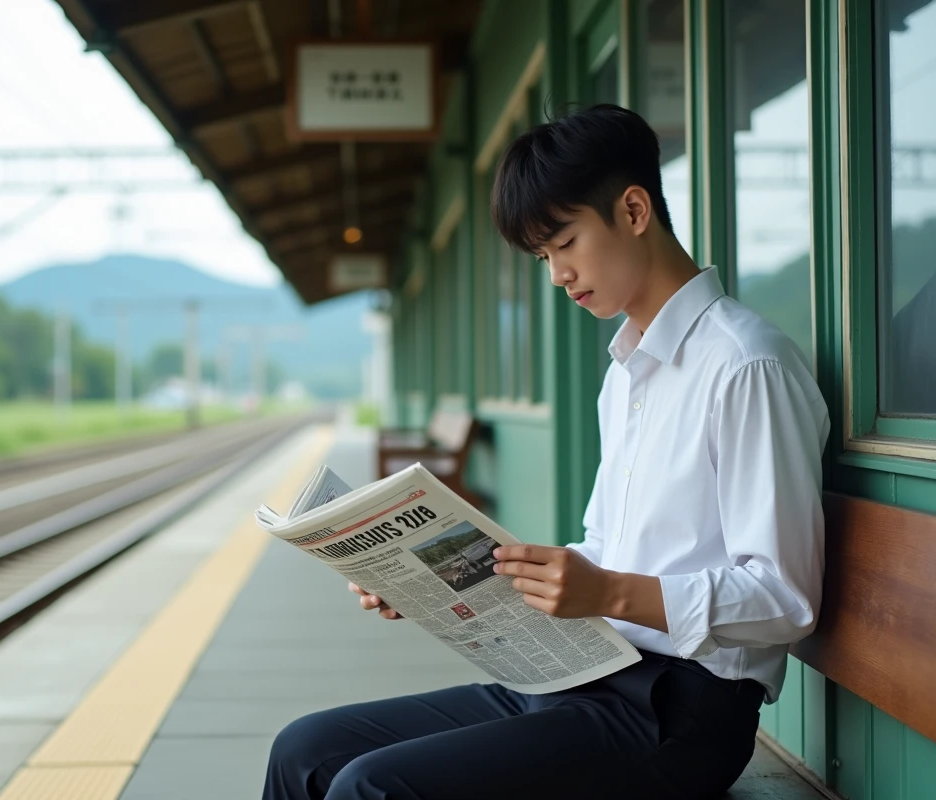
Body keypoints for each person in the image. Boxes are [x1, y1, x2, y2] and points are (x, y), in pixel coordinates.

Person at [262, 104, 830, 800]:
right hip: (582, 671)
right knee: (306, 749)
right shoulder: (625, 375)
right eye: (541, 256)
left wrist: (611, 591)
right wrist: (428, 580)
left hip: (680, 714)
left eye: (564, 241)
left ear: (632, 209)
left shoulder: (746, 365)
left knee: (374, 788)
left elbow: (786, 597)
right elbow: (603, 546)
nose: (557, 274)